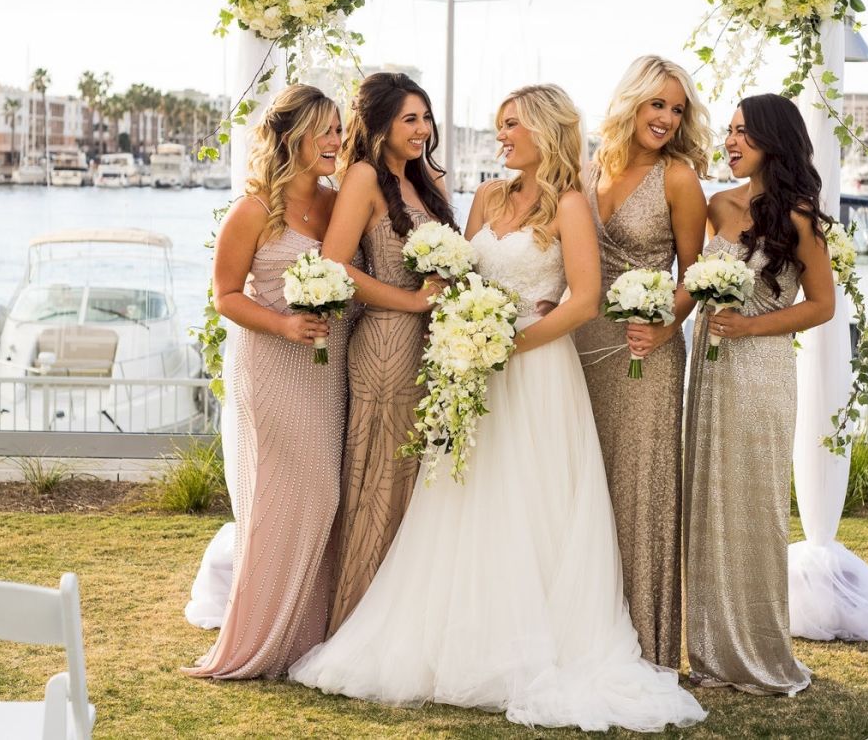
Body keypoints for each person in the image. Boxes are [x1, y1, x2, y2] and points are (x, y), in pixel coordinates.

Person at [289, 84, 706, 732]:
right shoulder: (486, 197)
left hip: (537, 375)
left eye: (511, 125)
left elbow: (583, 300)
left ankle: (535, 642)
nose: (501, 135)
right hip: (474, 371)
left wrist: (510, 343)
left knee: (533, 508)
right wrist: (466, 325)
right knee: (465, 505)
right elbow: (461, 274)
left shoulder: (568, 204)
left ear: (542, 129)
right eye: (499, 126)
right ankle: (459, 639)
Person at [185, 83, 349, 679]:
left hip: (328, 371)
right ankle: (259, 638)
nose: (337, 140)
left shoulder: (335, 204)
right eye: (327, 129)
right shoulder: (252, 210)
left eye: (339, 129)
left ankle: (307, 634)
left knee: (325, 497)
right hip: (272, 367)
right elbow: (225, 295)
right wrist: (283, 323)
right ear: (293, 136)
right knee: (284, 499)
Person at [683, 93, 836, 695]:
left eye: (744, 132)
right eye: (729, 131)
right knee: (709, 500)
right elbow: (684, 281)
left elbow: (821, 305)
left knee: (753, 503)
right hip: (711, 369)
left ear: (774, 139)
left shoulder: (797, 215)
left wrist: (749, 325)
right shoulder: (717, 204)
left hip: (761, 369)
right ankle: (710, 653)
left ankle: (760, 651)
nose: (732, 141)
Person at [573, 55, 709, 667]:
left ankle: (647, 648)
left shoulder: (678, 178)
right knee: (582, 489)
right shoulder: (586, 169)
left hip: (643, 353)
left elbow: (696, 272)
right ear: (631, 102)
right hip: (579, 344)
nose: (667, 118)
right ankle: (582, 634)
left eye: (677, 109)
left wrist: (664, 324)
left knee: (639, 492)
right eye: (658, 104)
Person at [321, 72, 456, 635]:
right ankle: (357, 622)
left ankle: (408, 623)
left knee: (420, 480)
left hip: (432, 349)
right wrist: (409, 301)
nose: (422, 129)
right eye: (410, 119)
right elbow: (334, 265)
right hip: (384, 344)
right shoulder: (362, 178)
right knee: (378, 475)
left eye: (426, 118)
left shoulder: (429, 183)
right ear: (379, 123)